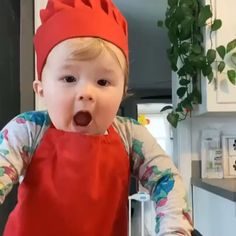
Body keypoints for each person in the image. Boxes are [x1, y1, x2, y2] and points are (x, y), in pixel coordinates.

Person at [0, 0, 193, 235]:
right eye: (69, 79)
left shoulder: (131, 136)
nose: (86, 93)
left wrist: (174, 229)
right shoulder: (26, 131)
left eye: (102, 82)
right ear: (41, 89)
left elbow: (166, 179)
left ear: (122, 92)